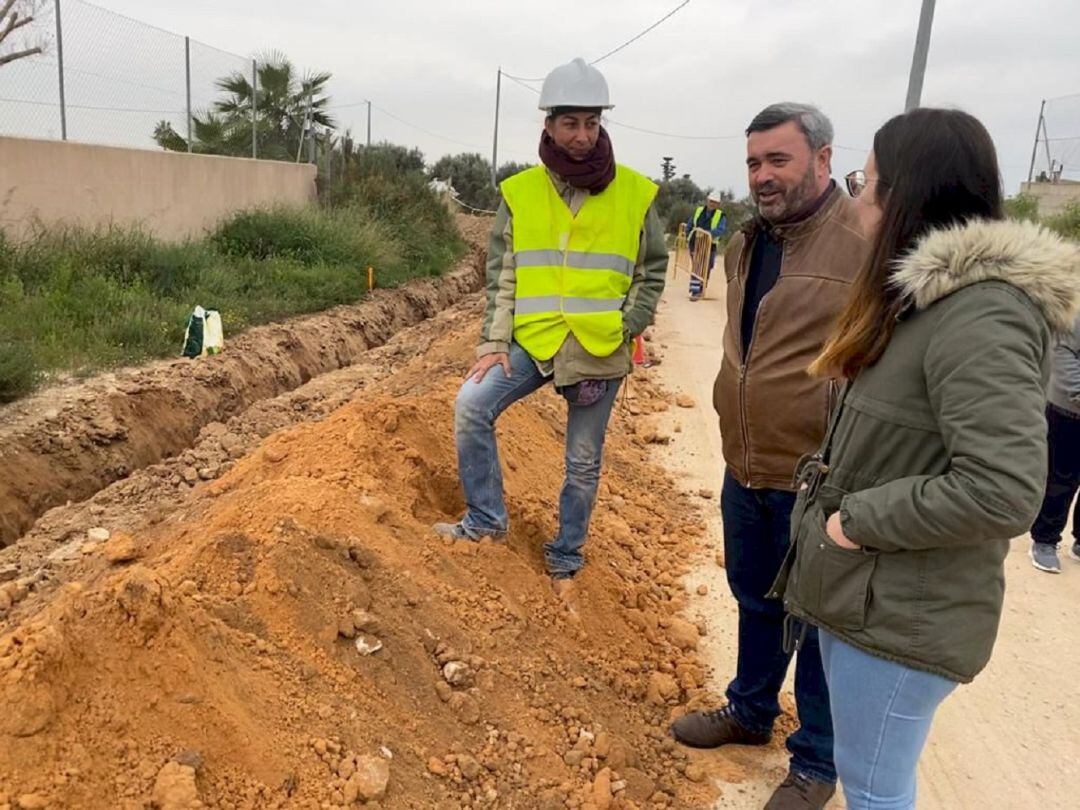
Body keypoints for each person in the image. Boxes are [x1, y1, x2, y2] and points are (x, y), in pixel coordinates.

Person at [774, 108, 1080, 810]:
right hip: (876, 593)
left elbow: (1003, 489)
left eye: (869, 183)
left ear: (912, 194)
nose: (859, 201)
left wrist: (854, 520)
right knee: (873, 778)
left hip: (901, 608)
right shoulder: (931, 302)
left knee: (877, 789)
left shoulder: (983, 314)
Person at [672, 103, 868, 810]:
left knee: (817, 621)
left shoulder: (864, 243)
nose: (761, 175)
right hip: (746, 463)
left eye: (777, 160)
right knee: (755, 599)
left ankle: (816, 760)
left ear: (822, 158)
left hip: (821, 476)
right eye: (754, 162)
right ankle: (751, 712)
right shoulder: (749, 240)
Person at [432, 58, 668, 612]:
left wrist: (627, 325)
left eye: (591, 122)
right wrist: (492, 344)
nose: (582, 135)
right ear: (549, 126)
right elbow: (503, 274)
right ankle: (486, 522)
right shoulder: (520, 192)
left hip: (597, 348)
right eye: (571, 124)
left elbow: (651, 271)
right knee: (471, 405)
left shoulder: (636, 194)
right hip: (533, 342)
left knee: (582, 461)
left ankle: (565, 555)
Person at [1030, 314, 1080, 573]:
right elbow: (1063, 355)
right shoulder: (1076, 314)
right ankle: (1045, 540)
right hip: (1070, 412)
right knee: (1061, 480)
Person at [686, 191, 727, 300]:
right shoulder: (698, 211)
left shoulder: (721, 215)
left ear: (718, 204)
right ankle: (695, 291)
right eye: (711, 201)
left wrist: (707, 233)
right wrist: (688, 236)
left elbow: (720, 229)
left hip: (710, 245)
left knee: (707, 266)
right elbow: (690, 223)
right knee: (697, 266)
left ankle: (702, 287)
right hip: (695, 243)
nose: (712, 204)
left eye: (715, 202)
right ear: (707, 201)